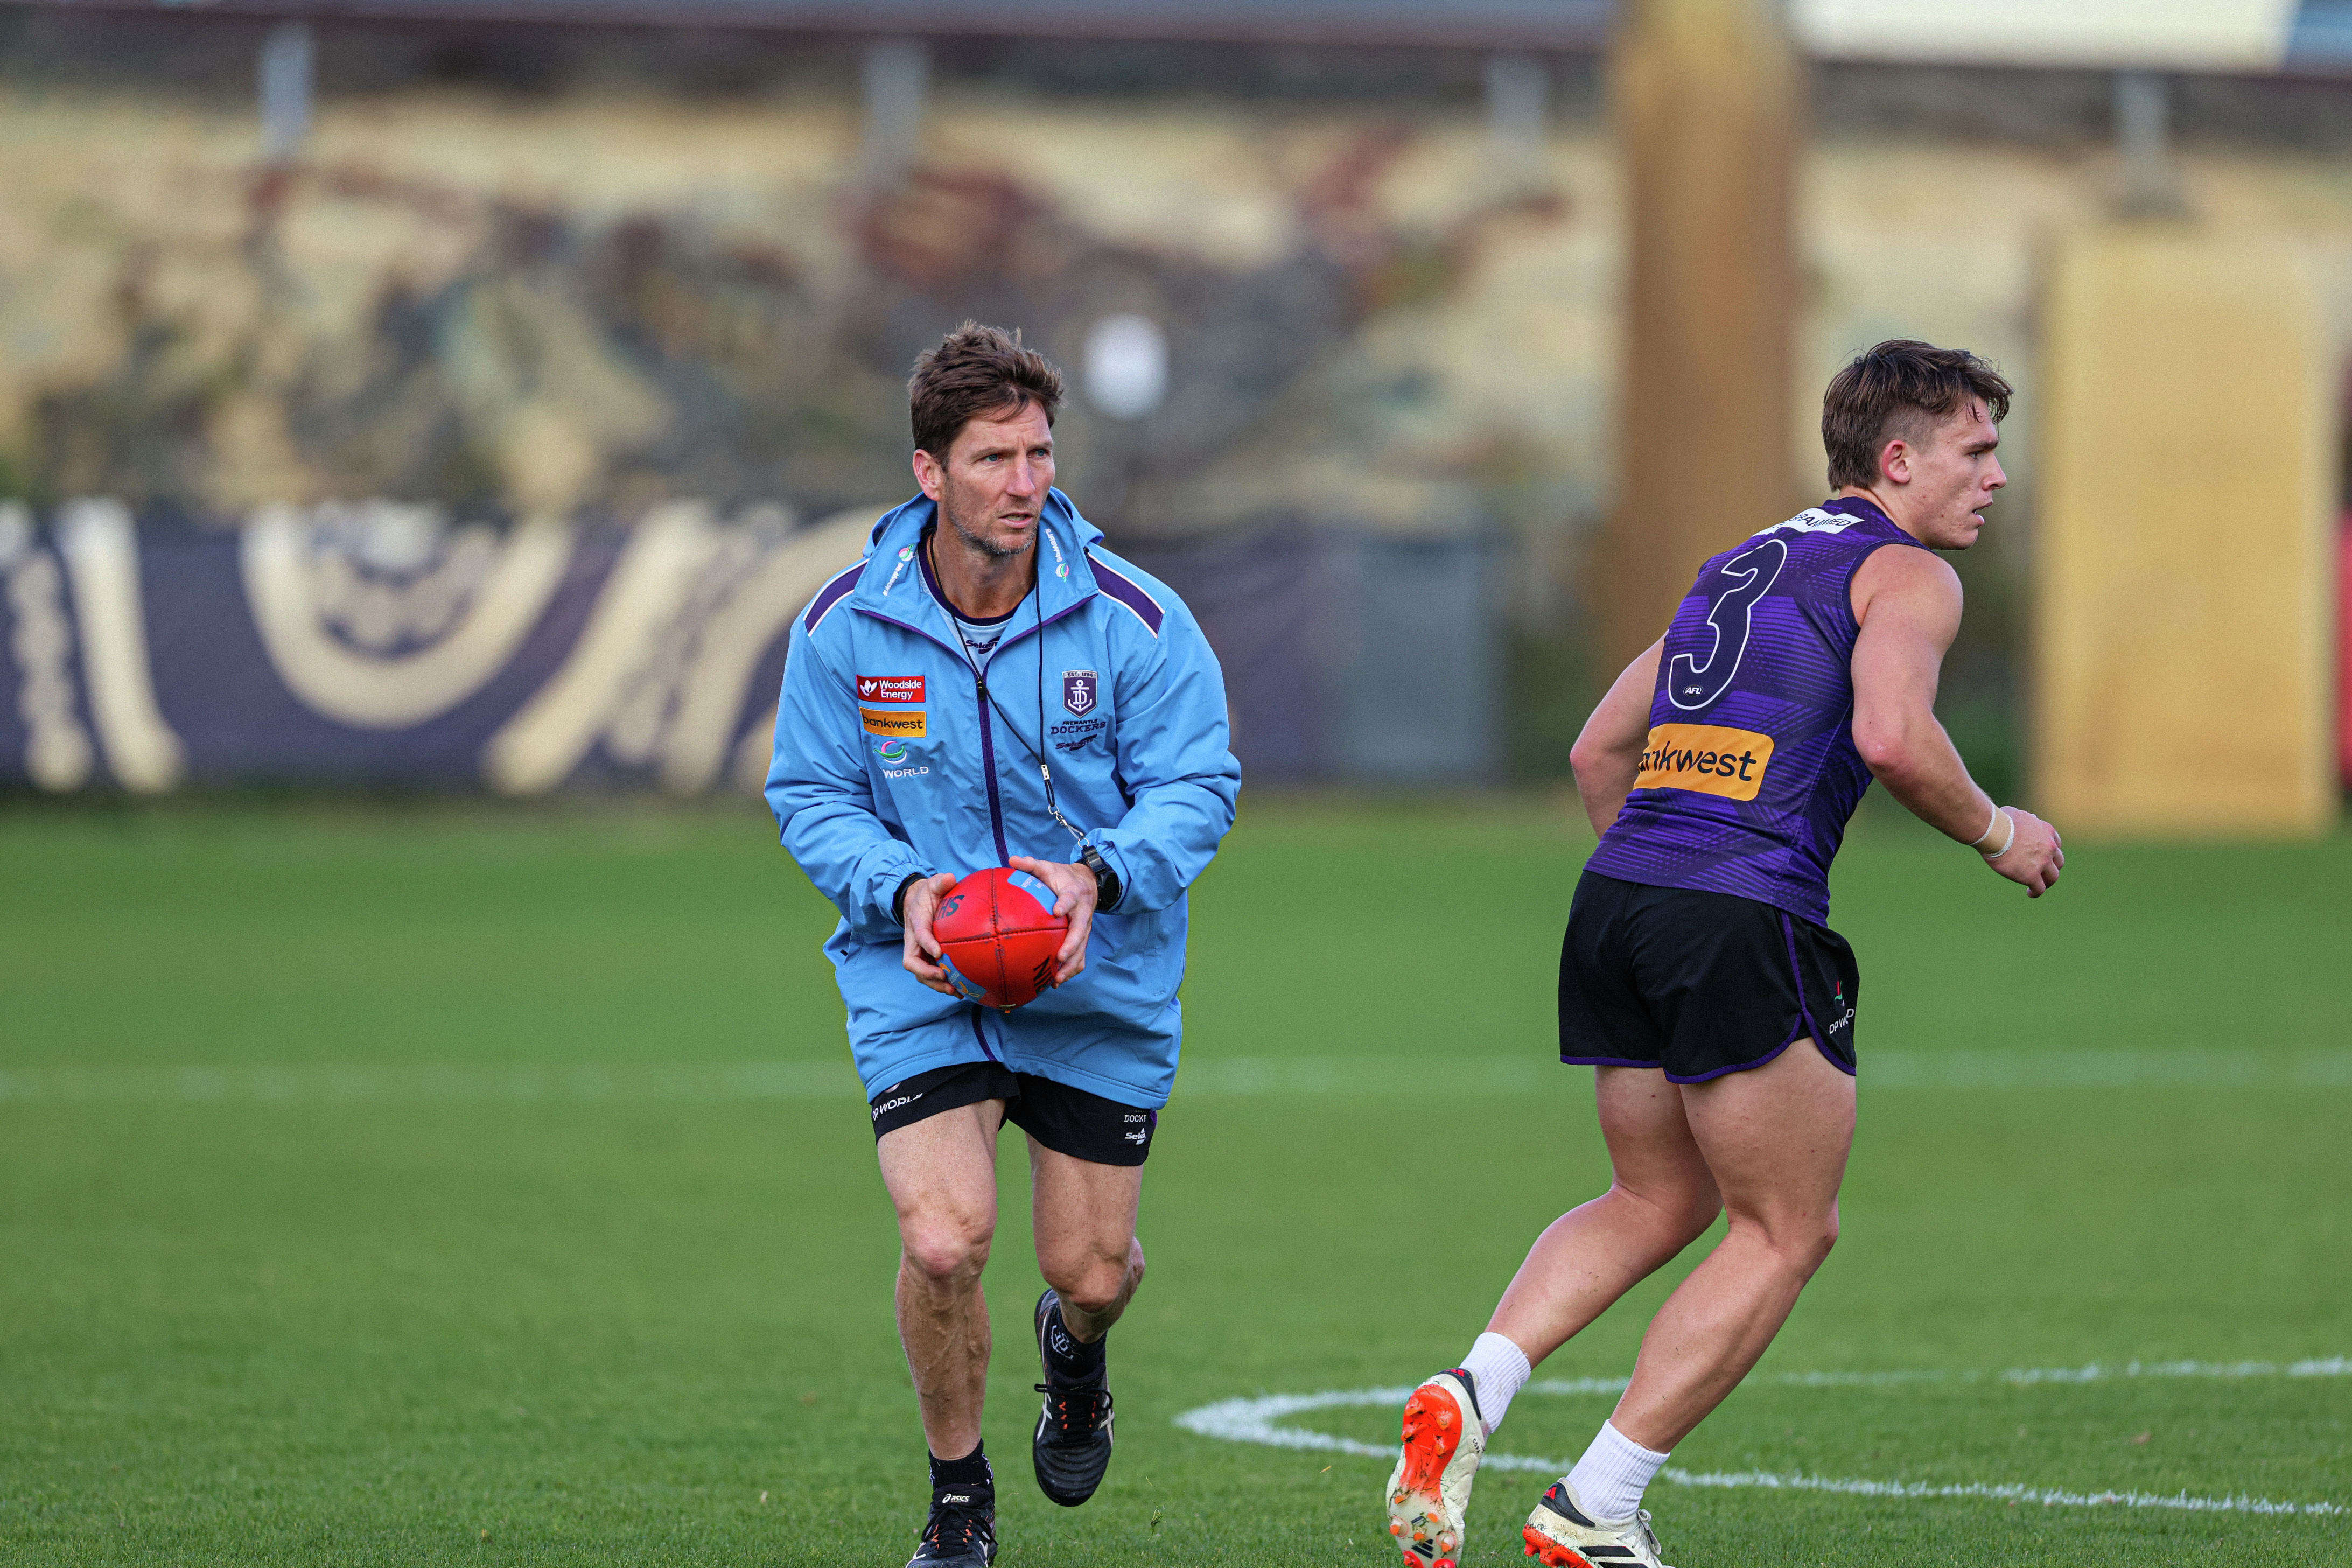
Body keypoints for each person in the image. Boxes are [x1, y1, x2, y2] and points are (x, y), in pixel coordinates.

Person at [1383, 340, 2064, 1568]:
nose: (1998, 476)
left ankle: (1472, 1389)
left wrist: (1659, 886)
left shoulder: (1745, 561)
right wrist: (2001, 830)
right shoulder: (1905, 575)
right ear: (1899, 460)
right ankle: (1597, 1503)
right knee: (1786, 1228)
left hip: (1621, 899)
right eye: (1978, 449)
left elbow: (1601, 750)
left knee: (1656, 1195)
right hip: (1736, 911)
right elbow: (1895, 735)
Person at [766, 322, 1239, 1568]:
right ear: (930, 472)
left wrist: (1099, 875)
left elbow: (1199, 781)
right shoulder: (841, 629)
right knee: (943, 1238)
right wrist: (902, 888)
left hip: (1100, 979)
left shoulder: (1135, 617)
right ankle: (960, 1498)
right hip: (921, 975)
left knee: (1090, 1270)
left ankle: (1075, 1357)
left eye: (1038, 454)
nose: (1024, 482)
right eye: (993, 459)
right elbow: (809, 795)